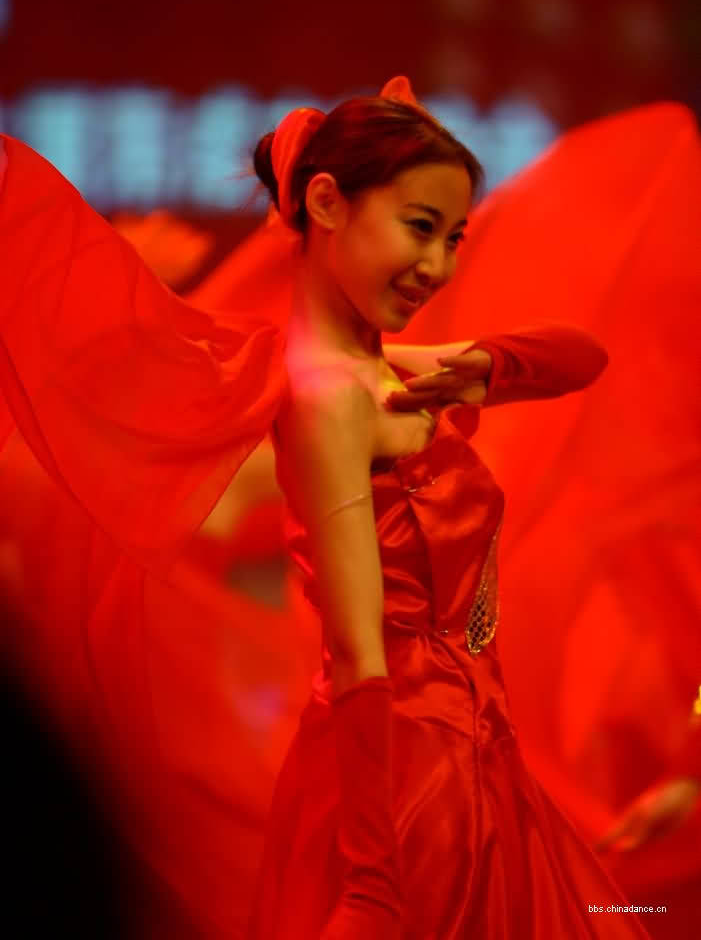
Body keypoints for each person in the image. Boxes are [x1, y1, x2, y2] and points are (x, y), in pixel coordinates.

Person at [0, 78, 653, 939]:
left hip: (474, 746)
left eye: (454, 237)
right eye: (419, 227)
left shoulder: (388, 374)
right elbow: (355, 649)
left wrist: (490, 364)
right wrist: (375, 872)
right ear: (325, 203)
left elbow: (583, 357)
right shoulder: (328, 399)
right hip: (408, 765)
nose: (439, 267)